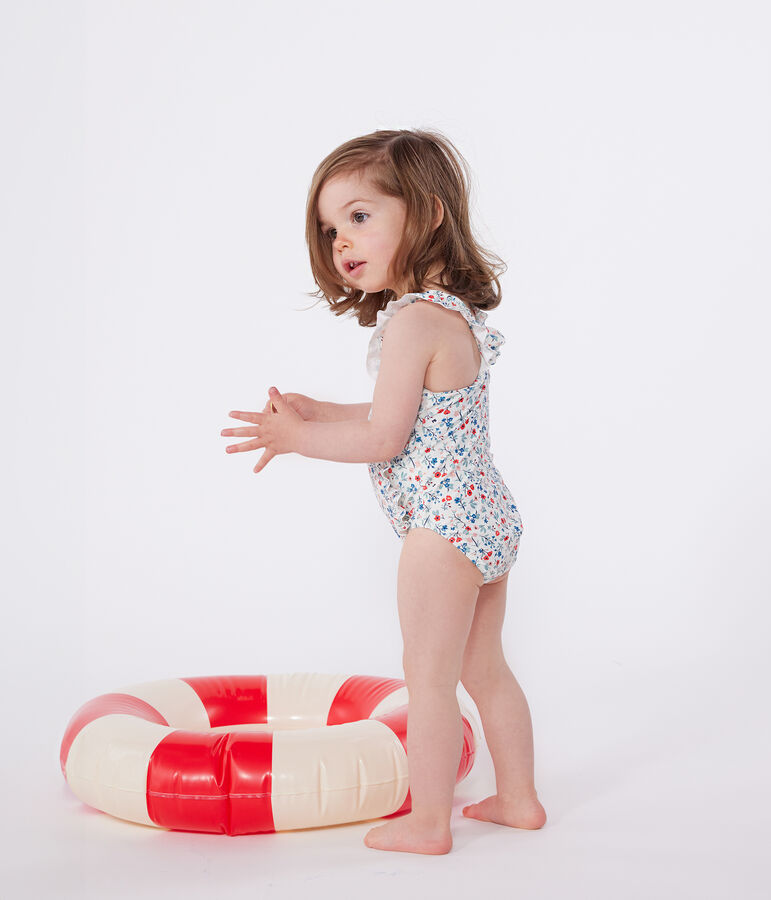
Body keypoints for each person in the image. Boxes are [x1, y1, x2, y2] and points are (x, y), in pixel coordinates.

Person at [220, 128, 546, 855]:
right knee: (484, 668)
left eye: (360, 216)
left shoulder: (411, 323)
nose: (341, 241)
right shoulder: (446, 315)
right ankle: (518, 798)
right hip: (485, 515)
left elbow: (383, 440)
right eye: (330, 228)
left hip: (440, 531)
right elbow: (404, 416)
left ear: (427, 213)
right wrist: (316, 411)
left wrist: (294, 439)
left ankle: (428, 823)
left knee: (427, 680)